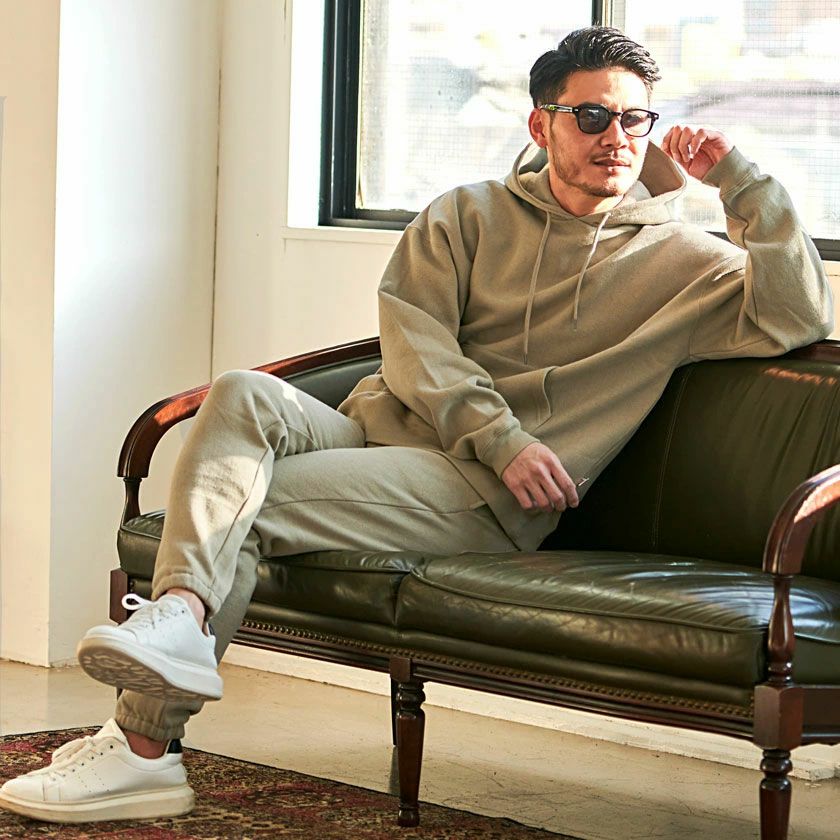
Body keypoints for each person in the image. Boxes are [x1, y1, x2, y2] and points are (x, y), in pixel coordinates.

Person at [0, 26, 832, 824]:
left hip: (483, 494)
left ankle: (142, 745)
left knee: (239, 507)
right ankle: (179, 626)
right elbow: (412, 340)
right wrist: (498, 429)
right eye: (591, 116)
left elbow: (795, 316)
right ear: (541, 125)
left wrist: (742, 184)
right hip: (379, 437)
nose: (615, 138)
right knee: (242, 393)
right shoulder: (466, 214)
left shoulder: (684, 263)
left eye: (633, 118)